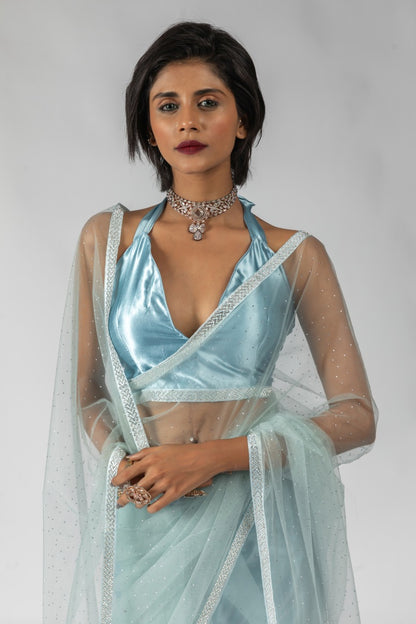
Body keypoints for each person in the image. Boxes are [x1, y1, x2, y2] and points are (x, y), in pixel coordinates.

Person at [43, 21, 377, 624]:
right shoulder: (108, 241)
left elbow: (356, 416)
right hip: (148, 518)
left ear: (243, 120)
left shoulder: (295, 255)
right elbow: (88, 393)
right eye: (168, 106)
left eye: (208, 102)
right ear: (149, 126)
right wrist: (127, 468)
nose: (187, 123)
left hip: (260, 527)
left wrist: (216, 457)